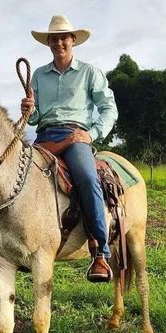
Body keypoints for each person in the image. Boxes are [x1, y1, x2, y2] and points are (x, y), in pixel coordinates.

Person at [21, 15, 118, 282]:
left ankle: (100, 251)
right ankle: (19, 244)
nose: (59, 42)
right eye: (54, 38)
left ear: (73, 40)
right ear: (48, 43)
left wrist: (92, 134)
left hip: (76, 136)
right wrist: (29, 110)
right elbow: (35, 118)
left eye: (64, 37)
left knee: (87, 178)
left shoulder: (89, 72)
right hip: (45, 137)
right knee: (18, 177)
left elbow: (109, 109)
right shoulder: (39, 75)